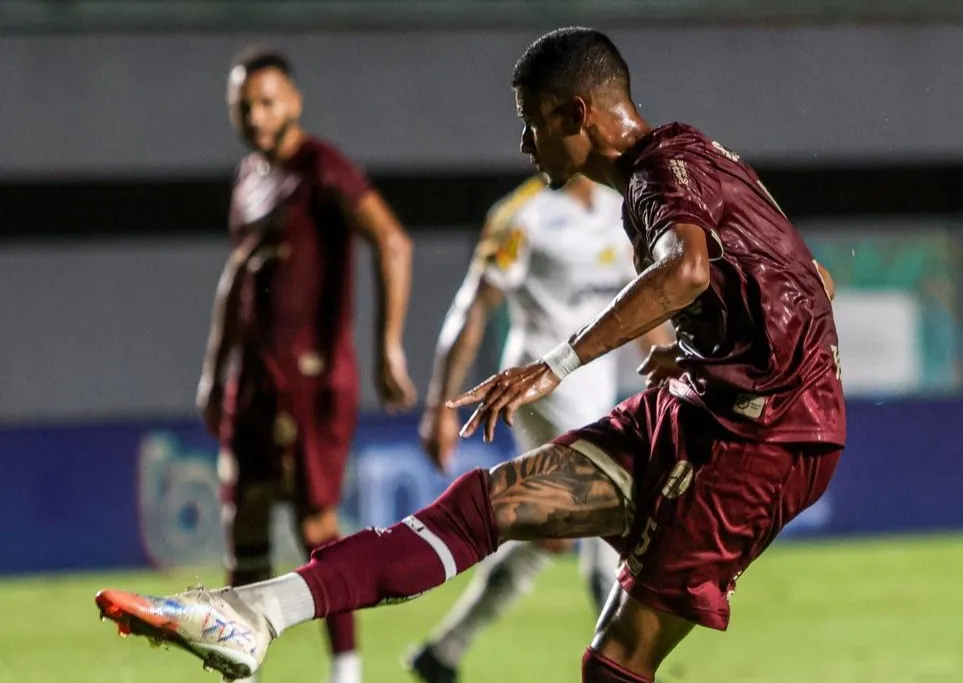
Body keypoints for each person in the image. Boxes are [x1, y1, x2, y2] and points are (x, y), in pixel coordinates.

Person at [95, 28, 843, 683]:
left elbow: (686, 271)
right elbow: (812, 280)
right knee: (484, 504)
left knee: (617, 659)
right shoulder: (697, 159)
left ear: (574, 114)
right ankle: (252, 613)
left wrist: (556, 363)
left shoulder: (657, 178)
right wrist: (709, 351)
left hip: (764, 437)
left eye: (530, 124)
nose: (525, 144)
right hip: (705, 405)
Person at [193, 48, 417, 683]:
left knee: (317, 521)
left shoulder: (322, 167)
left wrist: (388, 346)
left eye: (267, 102)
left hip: (312, 380)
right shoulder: (247, 177)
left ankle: (345, 671)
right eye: (244, 106)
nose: (256, 115)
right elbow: (236, 277)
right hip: (253, 380)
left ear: (293, 101)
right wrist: (216, 370)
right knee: (244, 526)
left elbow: (393, 239)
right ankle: (242, 670)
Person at [408, 173, 672, 683]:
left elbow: (638, 306)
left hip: (596, 392)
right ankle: (623, 668)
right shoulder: (520, 217)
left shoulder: (619, 208)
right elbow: (473, 305)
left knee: (550, 532)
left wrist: (669, 368)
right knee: (610, 515)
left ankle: (442, 652)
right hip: (538, 388)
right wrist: (440, 403)